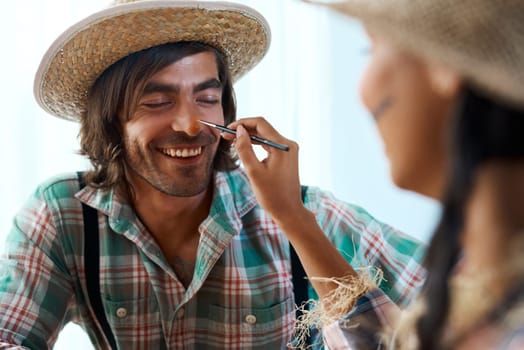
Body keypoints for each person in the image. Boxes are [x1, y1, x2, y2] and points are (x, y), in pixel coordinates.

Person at [0, 0, 427, 349]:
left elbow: (465, 303)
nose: (189, 125)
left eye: (206, 97)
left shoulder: (304, 211)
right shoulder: (61, 214)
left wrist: (293, 220)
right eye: (157, 102)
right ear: (111, 120)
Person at [223, 0, 524, 349]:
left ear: (444, 67)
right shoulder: (481, 294)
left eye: (372, 49)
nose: (363, 92)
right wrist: (291, 215)